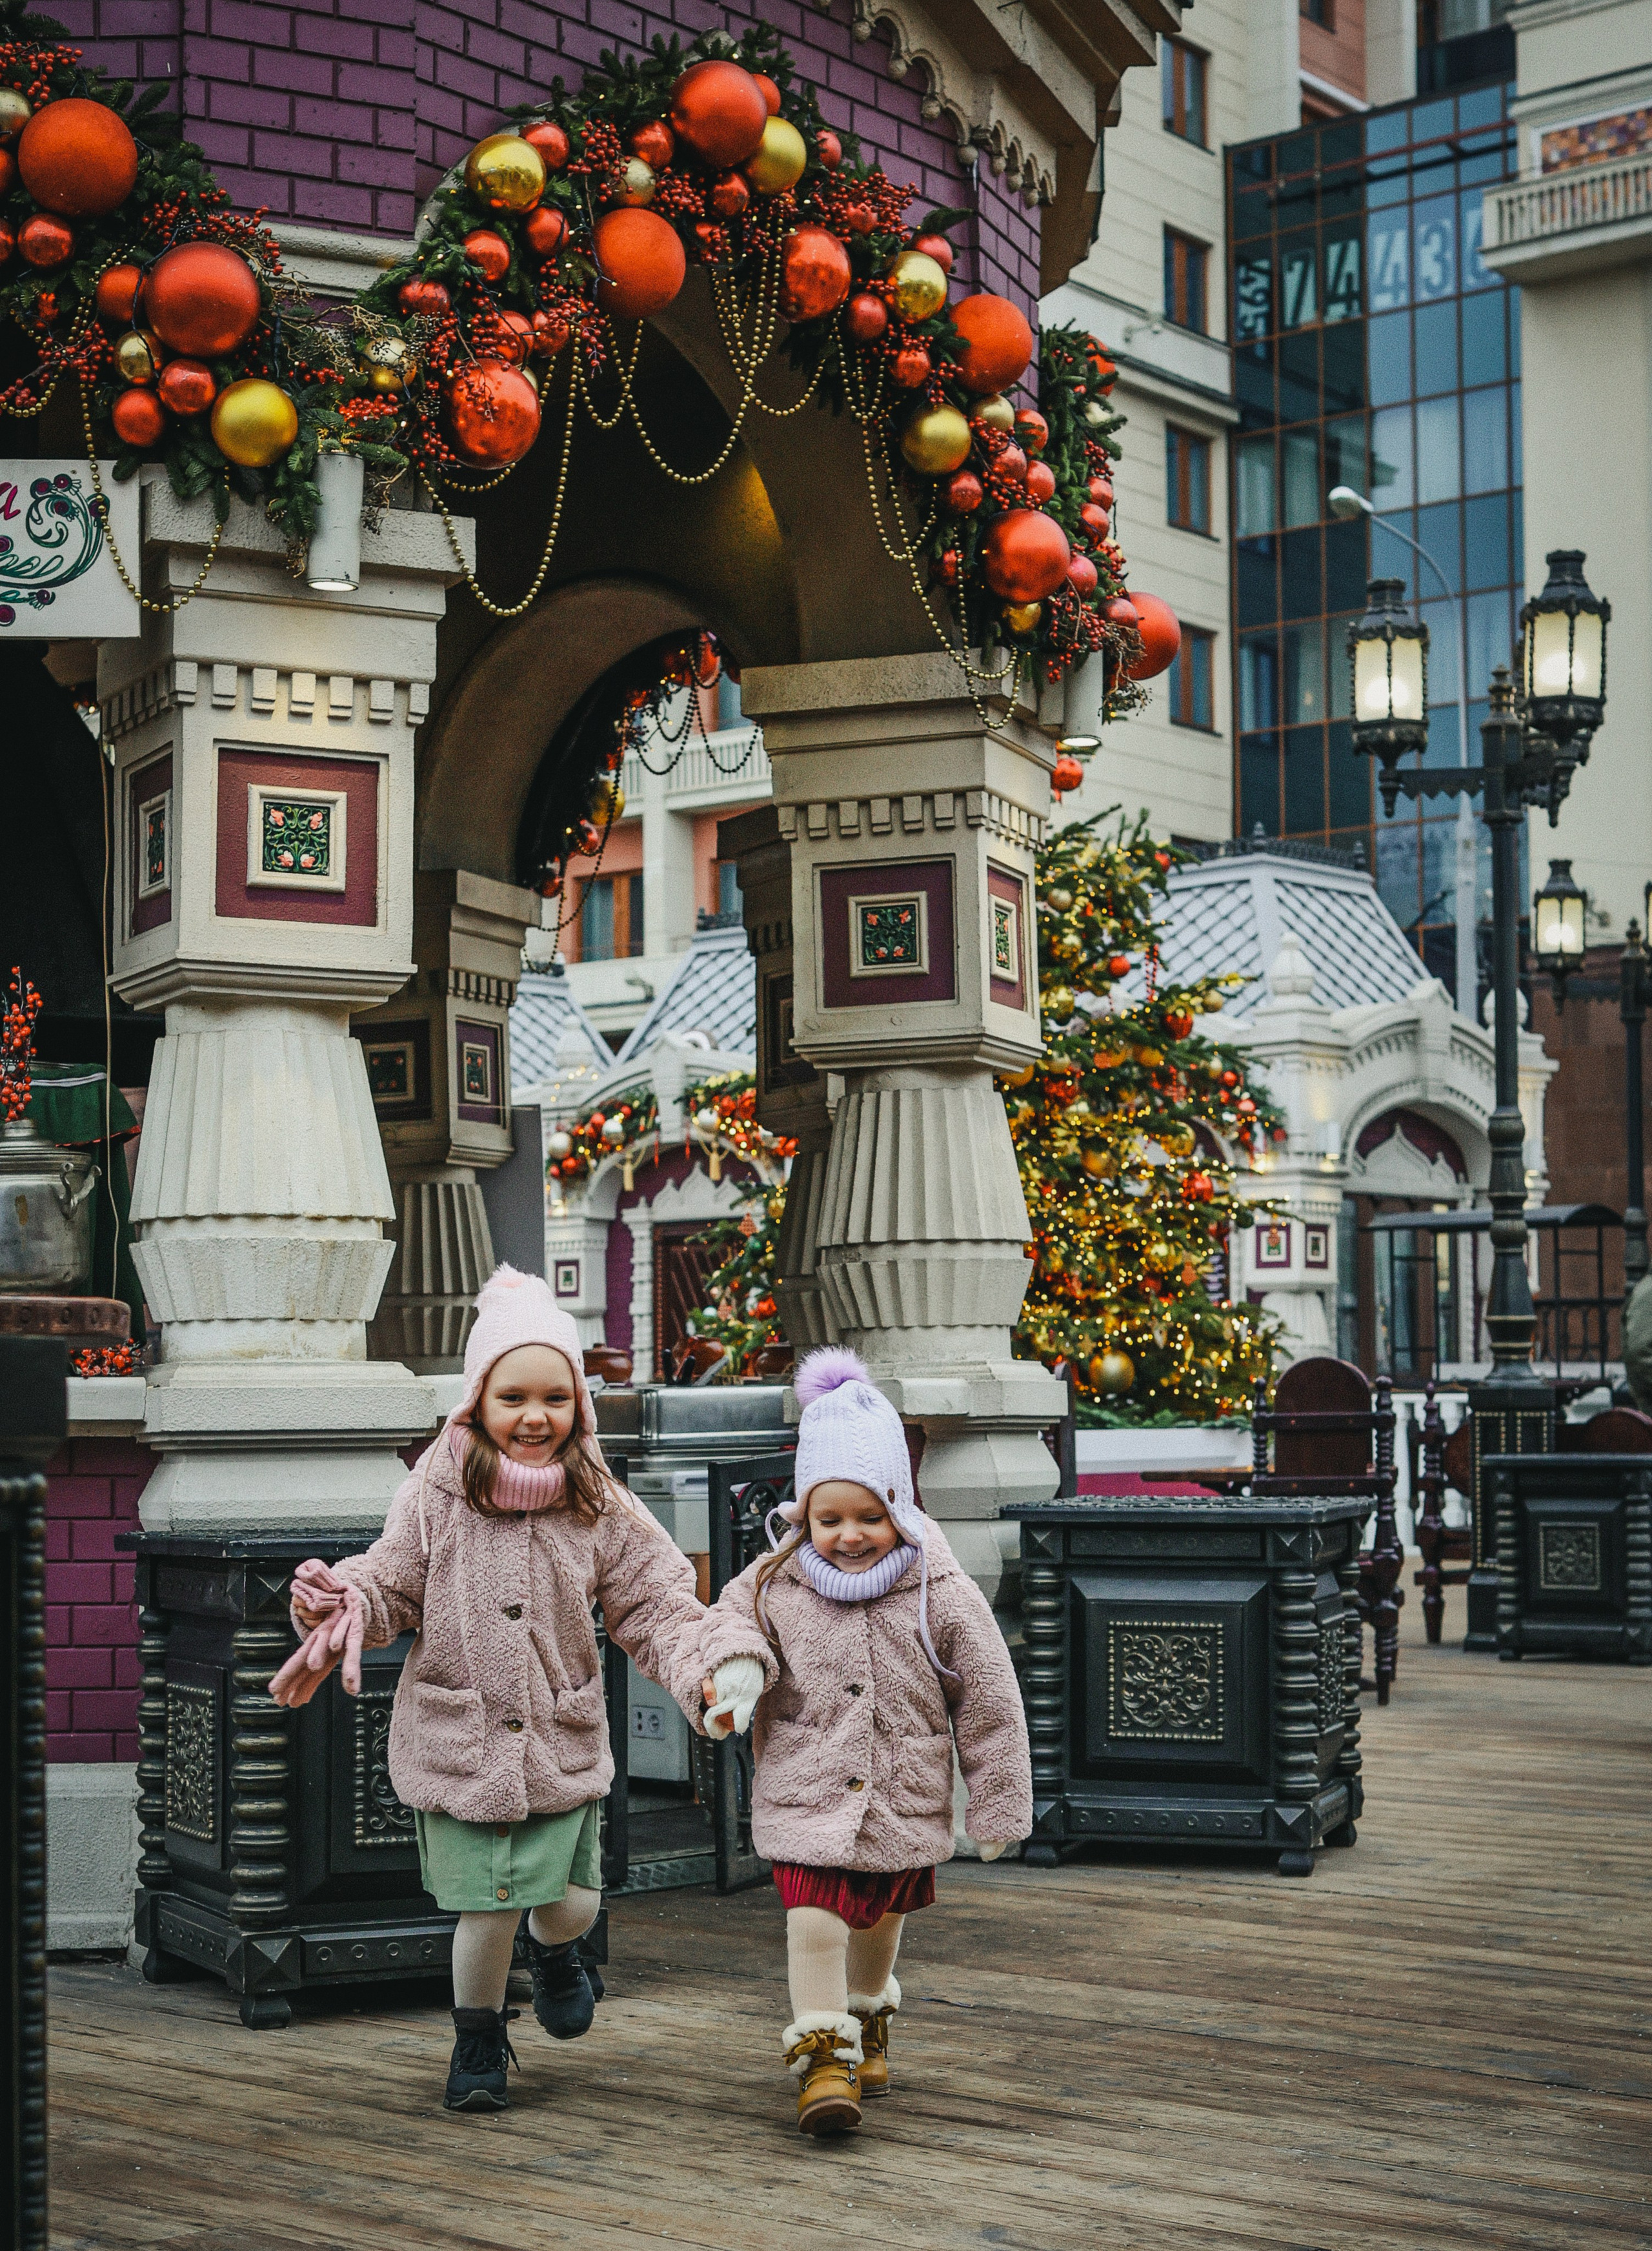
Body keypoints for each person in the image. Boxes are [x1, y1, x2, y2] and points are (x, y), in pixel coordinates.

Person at [269, 1266, 772, 2114]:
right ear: (477, 1401)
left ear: (579, 1402)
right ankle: (477, 2044)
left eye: (555, 1397)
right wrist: (347, 1603)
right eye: (514, 1397)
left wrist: (708, 1667)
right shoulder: (437, 1488)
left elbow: (656, 1599)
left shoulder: (596, 1499)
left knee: (569, 1904)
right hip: (462, 1745)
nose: (535, 1417)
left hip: (556, 1741)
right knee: (487, 1910)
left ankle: (558, 1950)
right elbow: (394, 1584)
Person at [698, 1346, 1032, 2136]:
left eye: (869, 1516)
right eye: (829, 1517)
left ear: (900, 1507)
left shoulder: (938, 1590)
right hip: (805, 1789)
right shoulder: (773, 1582)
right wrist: (738, 1666)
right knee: (813, 1917)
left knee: (880, 1916)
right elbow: (728, 1621)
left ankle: (864, 2014)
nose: (849, 1535)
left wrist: (996, 1803)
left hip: (901, 1791)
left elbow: (988, 1699)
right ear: (802, 1515)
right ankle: (821, 2057)